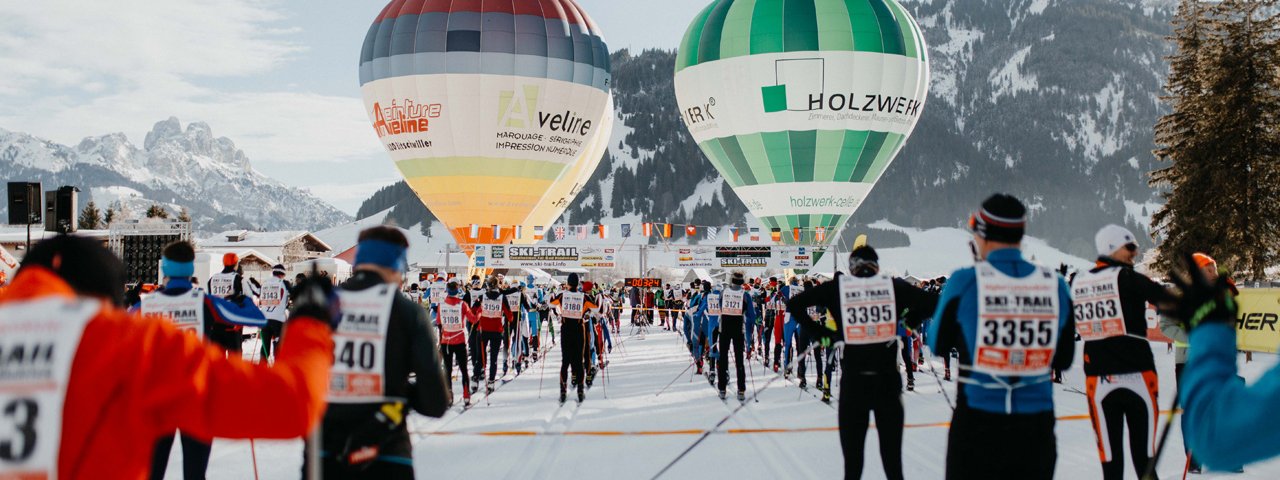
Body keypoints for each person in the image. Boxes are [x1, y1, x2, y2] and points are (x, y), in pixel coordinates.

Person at [0, 235, 335, 479]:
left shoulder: (143, 307)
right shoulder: (124, 339)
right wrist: (309, 320)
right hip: (177, 382)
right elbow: (290, 401)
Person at [926, 194, 1075, 480]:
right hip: (1036, 426)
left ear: (981, 233)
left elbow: (938, 343)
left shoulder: (964, 280)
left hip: (978, 421)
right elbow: (1064, 359)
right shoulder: (1054, 284)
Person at [307, 226, 451, 478]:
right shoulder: (408, 312)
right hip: (386, 453)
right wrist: (398, 390)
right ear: (396, 267)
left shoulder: (317, 306)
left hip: (323, 453)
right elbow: (435, 403)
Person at [788, 246, 938, 480]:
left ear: (852, 268)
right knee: (892, 464)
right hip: (887, 382)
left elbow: (795, 304)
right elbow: (934, 302)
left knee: (853, 465)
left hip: (854, 384)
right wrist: (908, 322)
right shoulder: (892, 286)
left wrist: (821, 333)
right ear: (876, 267)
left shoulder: (840, 287)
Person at [138, 241, 269, 480]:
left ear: (165, 270)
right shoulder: (205, 302)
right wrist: (244, 301)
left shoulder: (145, 306)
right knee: (195, 475)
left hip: (157, 402)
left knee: (150, 474)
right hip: (196, 399)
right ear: (190, 271)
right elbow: (258, 320)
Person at [1072, 225, 1176, 479]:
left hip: (1099, 378)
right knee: (1145, 461)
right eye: (1129, 247)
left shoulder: (1079, 280)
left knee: (1111, 463)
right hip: (1138, 374)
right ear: (1111, 248)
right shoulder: (1129, 278)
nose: (1135, 253)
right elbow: (1168, 301)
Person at [550, 273, 597, 404]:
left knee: (565, 361)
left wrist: (559, 311)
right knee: (578, 361)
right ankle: (580, 390)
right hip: (578, 330)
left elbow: (551, 305)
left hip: (566, 330)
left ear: (568, 283)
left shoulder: (562, 295)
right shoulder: (584, 296)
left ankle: (563, 391)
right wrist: (587, 313)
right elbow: (596, 308)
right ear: (578, 284)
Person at [716, 272, 758, 401]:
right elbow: (751, 314)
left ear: (731, 281)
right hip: (738, 329)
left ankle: (722, 389)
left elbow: (719, 306)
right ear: (742, 282)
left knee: (723, 359)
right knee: (739, 360)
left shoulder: (724, 292)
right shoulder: (745, 295)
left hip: (724, 328)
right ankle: (741, 390)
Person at [437, 280, 477, 407]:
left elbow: (439, 323)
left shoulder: (441, 305)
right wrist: (480, 310)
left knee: (447, 369)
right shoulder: (462, 304)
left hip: (446, 341)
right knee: (463, 369)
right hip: (459, 340)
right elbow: (474, 319)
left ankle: (449, 396)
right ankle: (466, 395)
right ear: (458, 291)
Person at [258, 264, 292, 362]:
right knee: (278, 345)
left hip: (264, 319)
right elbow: (292, 294)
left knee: (265, 346)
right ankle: (278, 368)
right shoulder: (283, 283)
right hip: (278, 320)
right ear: (282, 274)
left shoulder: (264, 283)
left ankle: (262, 368)